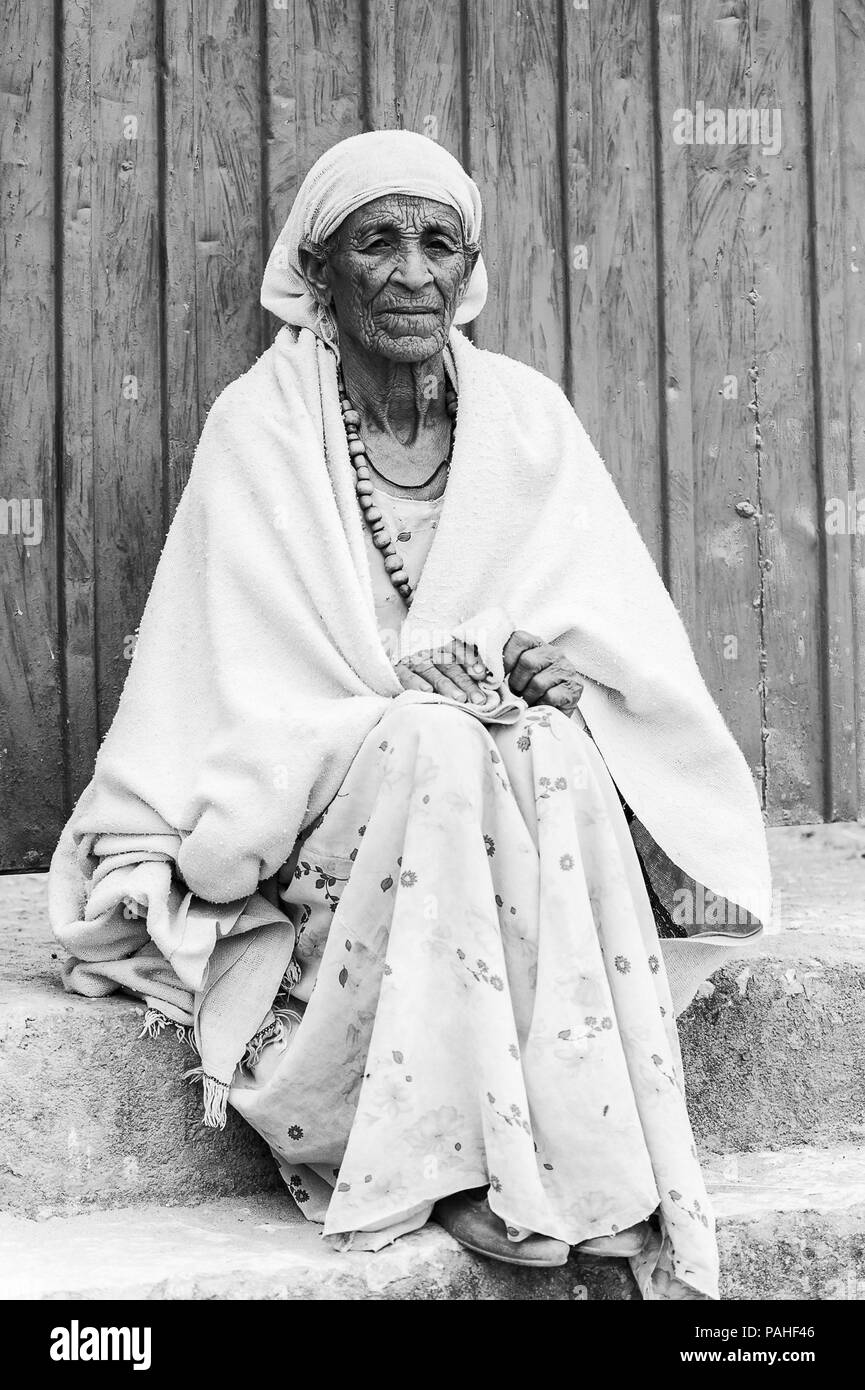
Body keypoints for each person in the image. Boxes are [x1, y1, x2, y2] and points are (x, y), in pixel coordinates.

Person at [50, 130, 771, 1300]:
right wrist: (406, 703)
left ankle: (579, 1157)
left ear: (466, 268)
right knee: (436, 742)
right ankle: (444, 1157)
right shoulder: (263, 425)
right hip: (327, 798)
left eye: (437, 243)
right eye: (376, 242)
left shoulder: (525, 420)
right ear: (318, 269)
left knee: (552, 753)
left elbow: (605, 642)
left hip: (488, 783)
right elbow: (236, 682)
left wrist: (540, 677)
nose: (410, 272)